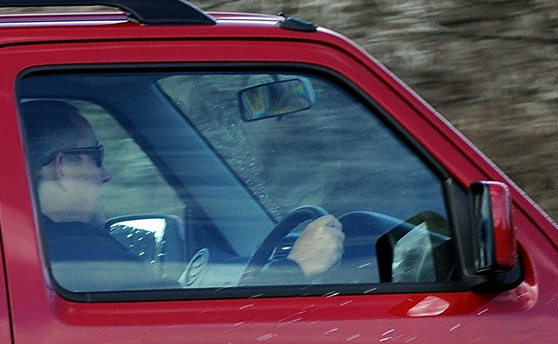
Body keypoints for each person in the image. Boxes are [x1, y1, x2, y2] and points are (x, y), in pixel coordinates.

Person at [21, 100, 344, 289]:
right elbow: (203, 340)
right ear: (61, 167)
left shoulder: (34, 246)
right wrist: (297, 267)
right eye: (97, 157)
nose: (106, 174)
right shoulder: (80, 254)